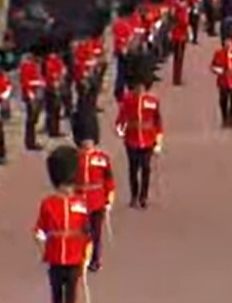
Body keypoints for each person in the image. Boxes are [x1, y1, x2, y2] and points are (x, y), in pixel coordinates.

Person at [34, 146, 91, 303]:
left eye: (69, 186)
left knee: (71, 296)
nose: (68, 189)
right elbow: (40, 229)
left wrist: (86, 254)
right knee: (57, 295)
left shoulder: (81, 203)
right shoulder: (48, 203)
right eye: (65, 186)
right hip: (55, 256)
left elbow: (86, 231)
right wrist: (42, 242)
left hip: (74, 256)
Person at [113, 56, 162, 209]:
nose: (139, 88)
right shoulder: (128, 100)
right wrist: (120, 130)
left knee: (146, 168)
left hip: (148, 138)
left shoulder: (152, 101)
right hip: (132, 138)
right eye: (137, 85)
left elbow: (157, 122)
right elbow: (121, 119)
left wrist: (158, 140)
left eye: (141, 85)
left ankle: (143, 197)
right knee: (133, 169)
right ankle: (134, 195)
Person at [71, 110, 114, 272]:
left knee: (96, 233)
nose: (87, 143)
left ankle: (95, 259)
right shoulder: (75, 158)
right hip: (80, 201)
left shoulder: (102, 158)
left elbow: (108, 179)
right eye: (84, 140)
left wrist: (109, 197)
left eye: (89, 139)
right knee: (82, 233)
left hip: (97, 200)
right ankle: (81, 257)